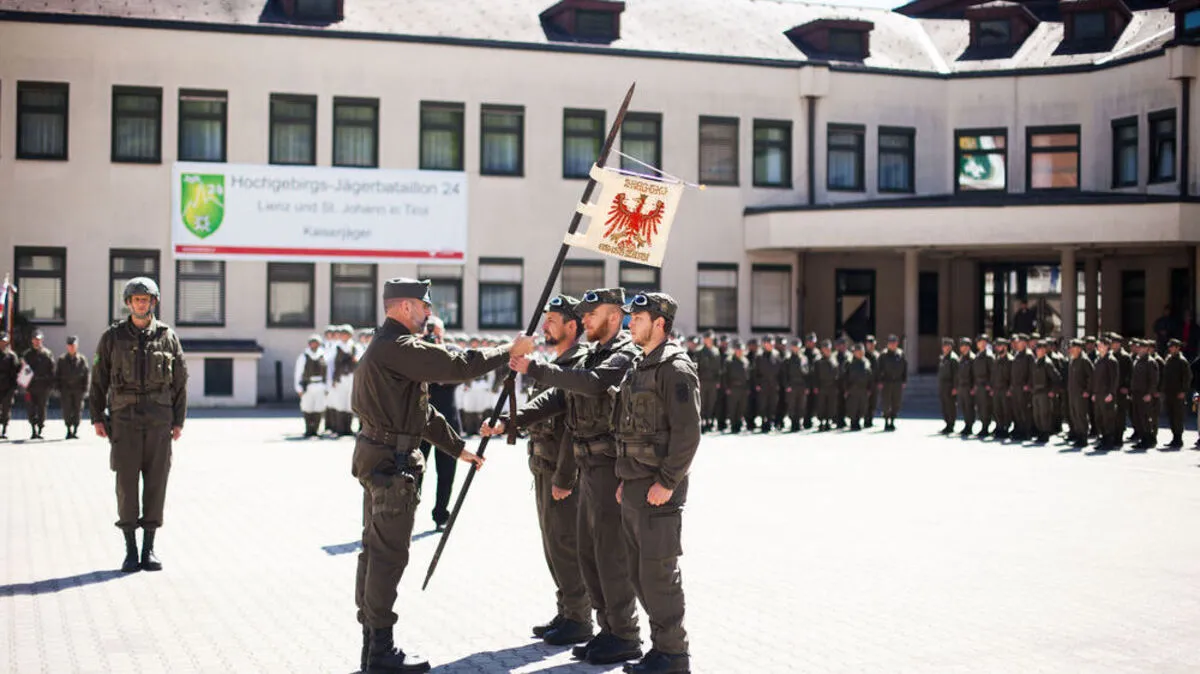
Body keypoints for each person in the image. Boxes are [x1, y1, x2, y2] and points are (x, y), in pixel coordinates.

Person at [350, 277, 533, 674]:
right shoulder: (399, 346)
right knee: (387, 556)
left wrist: (457, 448)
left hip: (379, 457)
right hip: (391, 465)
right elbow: (456, 367)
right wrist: (509, 351)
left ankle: (371, 649)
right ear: (404, 307)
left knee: (376, 552)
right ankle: (380, 653)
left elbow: (420, 411)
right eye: (424, 306)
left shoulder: (386, 346)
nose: (428, 312)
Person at [497, 288, 645, 667]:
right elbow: (560, 398)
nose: (586, 320)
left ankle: (624, 634)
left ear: (615, 317)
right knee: (588, 554)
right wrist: (511, 421)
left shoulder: (624, 353)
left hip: (609, 467)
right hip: (589, 465)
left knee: (610, 555)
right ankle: (606, 630)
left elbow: (592, 383)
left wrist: (534, 368)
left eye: (592, 314)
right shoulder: (594, 353)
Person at [612, 293, 699, 674]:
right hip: (635, 485)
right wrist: (624, 476)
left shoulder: (675, 368)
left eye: (638, 318)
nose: (630, 323)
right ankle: (659, 649)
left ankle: (673, 655)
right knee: (638, 574)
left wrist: (667, 481)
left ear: (659, 323)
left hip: (658, 491)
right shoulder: (640, 364)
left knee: (658, 575)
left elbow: (688, 433)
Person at [90, 277, 188, 574]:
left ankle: (149, 549)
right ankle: (130, 550)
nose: (141, 304)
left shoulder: (167, 336)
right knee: (126, 484)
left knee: (156, 482)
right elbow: (98, 379)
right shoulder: (112, 337)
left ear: (153, 302)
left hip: (159, 420)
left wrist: (178, 420)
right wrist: (97, 417)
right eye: (136, 299)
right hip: (124, 420)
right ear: (128, 303)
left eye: (146, 299)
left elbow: (180, 382)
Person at [417, 316, 463, 531]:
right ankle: (408, 512)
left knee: (446, 473)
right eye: (430, 332)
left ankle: (441, 514)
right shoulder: (417, 350)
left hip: (448, 421)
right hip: (421, 422)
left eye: (436, 332)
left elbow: (459, 374)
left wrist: (438, 353)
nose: (433, 336)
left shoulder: (452, 350)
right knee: (415, 470)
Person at [23, 329, 56, 439]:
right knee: (31, 408)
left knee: (42, 408)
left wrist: (51, 385)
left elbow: (52, 370)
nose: (37, 342)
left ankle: (40, 427)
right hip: (31, 386)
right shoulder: (27, 354)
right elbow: (23, 370)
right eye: (35, 339)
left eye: (39, 340)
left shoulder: (47, 354)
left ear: (42, 340)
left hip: (43, 386)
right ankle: (33, 429)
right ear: (32, 340)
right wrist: (25, 384)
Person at [56, 335, 90, 439]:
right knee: (67, 409)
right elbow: (57, 374)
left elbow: (86, 374)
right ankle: (68, 429)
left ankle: (75, 429)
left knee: (77, 410)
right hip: (66, 389)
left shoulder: (82, 359)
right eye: (70, 346)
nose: (72, 348)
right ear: (67, 346)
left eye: (73, 346)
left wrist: (85, 388)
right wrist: (58, 388)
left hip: (78, 389)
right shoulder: (62, 359)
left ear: (77, 346)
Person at [294, 334, 328, 438]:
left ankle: (316, 430)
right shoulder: (304, 356)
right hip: (308, 385)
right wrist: (298, 387)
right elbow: (298, 372)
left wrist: (328, 386)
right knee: (307, 407)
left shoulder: (324, 355)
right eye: (312, 343)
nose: (314, 345)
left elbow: (328, 372)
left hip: (320, 385)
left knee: (319, 407)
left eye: (316, 343)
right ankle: (308, 429)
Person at [1090, 337, 1120, 451]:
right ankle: (1103, 439)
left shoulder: (1111, 360)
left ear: (1107, 346)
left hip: (1107, 394)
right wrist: (1094, 392)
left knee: (1108, 419)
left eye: (1101, 345)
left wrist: (1111, 393)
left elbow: (1114, 379)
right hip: (1098, 394)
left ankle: (1109, 441)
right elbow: (1095, 378)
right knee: (1099, 418)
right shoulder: (1098, 360)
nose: (1098, 347)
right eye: (1098, 345)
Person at [1161, 338, 1191, 449]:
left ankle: (1178, 438)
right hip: (1169, 392)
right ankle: (1174, 437)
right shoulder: (1169, 359)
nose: (1170, 349)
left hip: (1178, 393)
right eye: (1170, 347)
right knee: (1171, 415)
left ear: (1178, 348)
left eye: (1173, 347)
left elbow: (1187, 377)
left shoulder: (1182, 361)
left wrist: (1183, 391)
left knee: (1178, 416)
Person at [751, 336, 782, 433]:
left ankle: (770, 421)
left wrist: (779, 383)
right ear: (764, 344)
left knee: (772, 404)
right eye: (768, 343)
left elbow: (781, 371)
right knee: (763, 404)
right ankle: (764, 422)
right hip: (763, 384)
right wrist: (757, 384)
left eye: (771, 343)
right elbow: (755, 371)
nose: (770, 345)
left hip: (773, 384)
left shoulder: (776, 355)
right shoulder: (759, 356)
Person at [1030, 340, 1060, 444]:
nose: (1038, 351)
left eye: (1041, 349)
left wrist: (1053, 391)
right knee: (1037, 414)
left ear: (1044, 350)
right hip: (1036, 392)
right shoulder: (1036, 362)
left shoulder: (1047, 363)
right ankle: (1040, 432)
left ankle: (1045, 433)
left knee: (1044, 414)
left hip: (1044, 392)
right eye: (1037, 349)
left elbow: (1056, 378)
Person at [1066, 339, 1093, 449]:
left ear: (1079, 348)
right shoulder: (1073, 359)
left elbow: (1091, 376)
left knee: (1081, 415)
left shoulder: (1084, 360)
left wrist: (1088, 390)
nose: (1071, 349)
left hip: (1081, 393)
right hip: (1073, 393)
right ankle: (1078, 436)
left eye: (1073, 347)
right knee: (1074, 414)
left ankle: (1083, 437)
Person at [876, 334, 907, 432]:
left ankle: (892, 421)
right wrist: (879, 381)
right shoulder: (883, 355)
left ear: (897, 343)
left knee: (896, 403)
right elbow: (878, 369)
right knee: (886, 403)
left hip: (897, 382)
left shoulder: (900, 354)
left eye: (894, 343)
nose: (892, 345)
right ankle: (886, 421)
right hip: (886, 382)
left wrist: (904, 380)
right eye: (891, 343)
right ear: (888, 344)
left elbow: (905, 367)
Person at [693, 331, 722, 433]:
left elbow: (718, 368)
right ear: (704, 340)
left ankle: (710, 421)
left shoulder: (716, 351)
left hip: (713, 382)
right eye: (707, 339)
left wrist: (718, 381)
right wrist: (696, 381)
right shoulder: (699, 351)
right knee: (702, 403)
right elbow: (695, 368)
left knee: (711, 402)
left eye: (711, 339)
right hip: (702, 381)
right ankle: (702, 422)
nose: (709, 341)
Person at [720, 341, 750, 434]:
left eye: (741, 350)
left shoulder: (746, 361)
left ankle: (739, 424)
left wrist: (748, 388)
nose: (739, 351)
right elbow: (725, 376)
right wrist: (727, 388)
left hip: (743, 388)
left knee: (741, 407)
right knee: (732, 408)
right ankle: (733, 425)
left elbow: (749, 376)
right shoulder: (729, 361)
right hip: (733, 388)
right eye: (738, 350)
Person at [781, 338, 808, 433]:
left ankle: (799, 422)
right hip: (792, 385)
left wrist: (807, 386)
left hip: (801, 386)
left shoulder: (804, 359)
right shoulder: (788, 359)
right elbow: (784, 374)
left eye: (797, 347)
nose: (796, 348)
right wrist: (787, 386)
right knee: (792, 405)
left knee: (801, 405)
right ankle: (793, 423)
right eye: (794, 346)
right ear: (791, 347)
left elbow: (807, 374)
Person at [937, 337, 958, 435]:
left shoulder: (953, 358)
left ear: (951, 347)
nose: (945, 347)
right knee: (944, 406)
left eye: (947, 346)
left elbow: (956, 375)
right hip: (943, 385)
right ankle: (947, 424)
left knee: (950, 406)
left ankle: (951, 425)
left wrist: (955, 387)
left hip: (950, 385)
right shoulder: (943, 358)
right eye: (944, 345)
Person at [956, 338, 976, 436]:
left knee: (969, 407)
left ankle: (970, 426)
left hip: (969, 386)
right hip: (962, 386)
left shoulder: (972, 358)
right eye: (961, 346)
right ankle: (966, 424)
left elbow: (975, 374)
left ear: (968, 347)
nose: (961, 348)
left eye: (963, 345)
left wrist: (973, 387)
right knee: (964, 406)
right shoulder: (962, 358)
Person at [0, 332, 18, 439]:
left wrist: (14, 388)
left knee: (6, 410)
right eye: (1, 341)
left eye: (4, 342)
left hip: (8, 387)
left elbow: (15, 372)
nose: (2, 344)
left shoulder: (11, 356)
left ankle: (4, 429)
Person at [863, 335, 880, 428]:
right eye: (869, 344)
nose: (870, 345)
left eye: (872, 343)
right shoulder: (863, 355)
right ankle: (866, 420)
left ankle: (870, 419)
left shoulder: (877, 355)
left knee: (873, 402)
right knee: (866, 402)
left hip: (875, 382)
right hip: (866, 382)